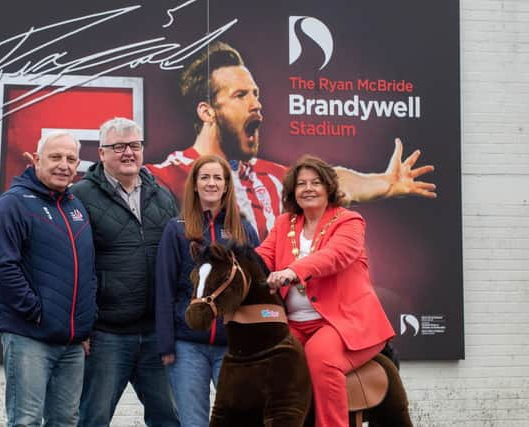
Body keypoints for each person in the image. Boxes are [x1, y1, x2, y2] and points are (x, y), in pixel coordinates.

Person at [146, 41, 436, 240]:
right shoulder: (165, 178)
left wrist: (384, 183)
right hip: (209, 321)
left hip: (268, 317)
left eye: (256, 94)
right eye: (241, 95)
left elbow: (336, 180)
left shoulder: (272, 177)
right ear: (207, 111)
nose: (256, 104)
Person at [256, 155, 396, 427]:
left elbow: (336, 255)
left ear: (329, 187)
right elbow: (262, 257)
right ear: (292, 192)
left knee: (321, 356)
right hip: (295, 324)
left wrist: (293, 270)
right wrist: (233, 263)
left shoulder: (349, 221)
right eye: (301, 184)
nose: (308, 188)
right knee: (272, 358)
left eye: (316, 182)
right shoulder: (284, 223)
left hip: (342, 324)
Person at [70, 117, 180, 427]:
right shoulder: (80, 197)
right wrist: (82, 327)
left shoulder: (162, 195)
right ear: (102, 153)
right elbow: (74, 266)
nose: (128, 152)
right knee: (93, 417)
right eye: (118, 146)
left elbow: (177, 260)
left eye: (134, 145)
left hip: (155, 334)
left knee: (171, 418)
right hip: (107, 334)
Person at [0, 131, 97, 427]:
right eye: (55, 157)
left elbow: (88, 271)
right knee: (26, 421)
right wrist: (37, 313)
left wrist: (83, 323)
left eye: (71, 159)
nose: (64, 165)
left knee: (64, 421)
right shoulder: (13, 204)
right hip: (29, 337)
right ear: (36, 160)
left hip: (72, 342)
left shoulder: (76, 207)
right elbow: (3, 267)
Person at [155, 155, 260, 427]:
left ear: (226, 185)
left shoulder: (244, 231)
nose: (211, 183)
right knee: (193, 422)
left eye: (217, 178)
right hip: (187, 346)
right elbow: (164, 288)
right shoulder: (176, 230)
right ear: (195, 185)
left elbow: (255, 290)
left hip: (232, 346)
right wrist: (166, 343)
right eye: (205, 177)